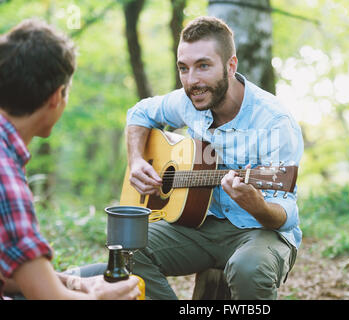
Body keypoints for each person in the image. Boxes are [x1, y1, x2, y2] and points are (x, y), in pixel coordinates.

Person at [126, 16, 304, 300]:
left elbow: (286, 213)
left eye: (203, 66)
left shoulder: (274, 121)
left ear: (231, 66)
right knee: (127, 246)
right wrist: (137, 160)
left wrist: (257, 206)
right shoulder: (188, 103)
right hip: (200, 225)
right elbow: (139, 113)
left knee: (249, 268)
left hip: (258, 231)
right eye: (184, 68)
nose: (192, 80)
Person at [0, 19, 140, 300]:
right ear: (56, 97)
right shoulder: (6, 175)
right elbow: (49, 297)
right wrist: (98, 297)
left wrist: (77, 283)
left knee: (100, 273)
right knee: (124, 288)